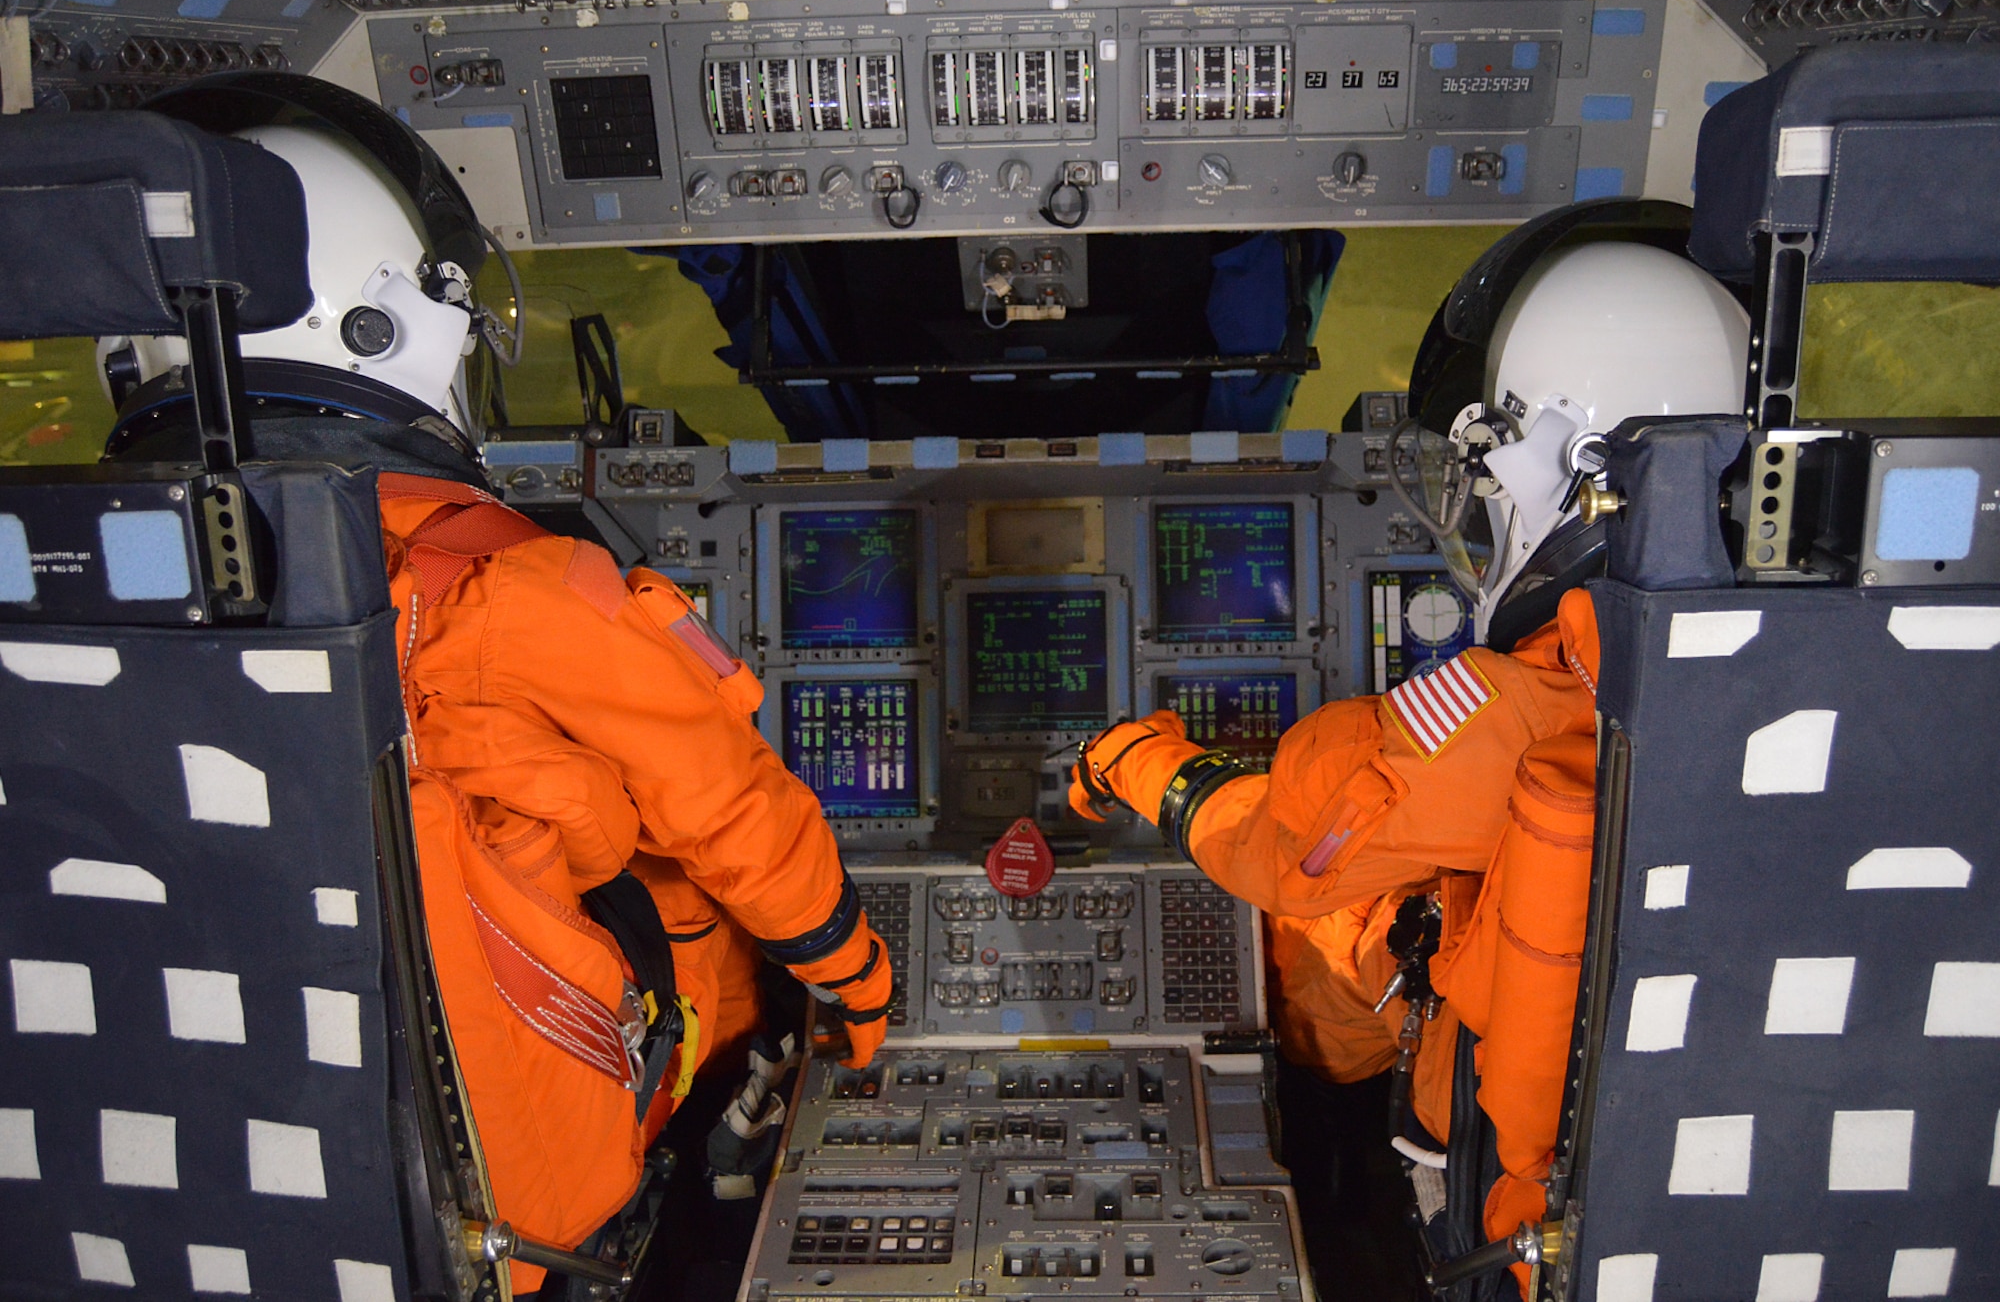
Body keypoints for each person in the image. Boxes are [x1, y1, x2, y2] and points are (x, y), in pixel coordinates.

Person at [95, 75, 889, 1292]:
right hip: (502, 1202)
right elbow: (732, 808)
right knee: (702, 914)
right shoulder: (507, 588)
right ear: (401, 329)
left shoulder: (54, 588)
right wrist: (851, 975)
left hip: (158, 1194)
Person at [1071, 202, 1749, 1295]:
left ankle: (1334, 1144)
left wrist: (1144, 761)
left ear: (1562, 474)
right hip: (1681, 1181)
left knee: (1324, 915)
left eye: (1483, 474)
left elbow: (1293, 840)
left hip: (1505, 1216)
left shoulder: (1519, 706)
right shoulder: (1805, 658)